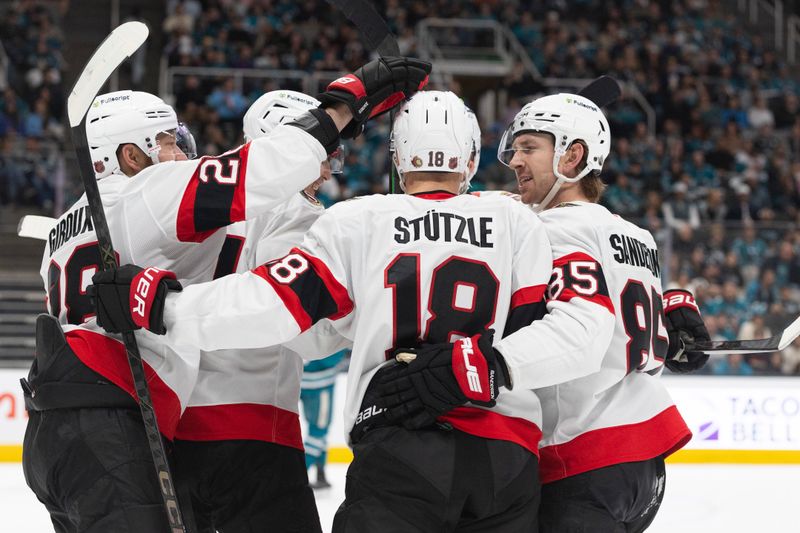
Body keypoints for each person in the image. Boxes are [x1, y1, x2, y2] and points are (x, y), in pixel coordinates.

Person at [91, 90, 564, 532]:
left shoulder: (353, 219)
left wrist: (163, 306)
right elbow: (555, 328)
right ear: (473, 156)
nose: (326, 168)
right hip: (506, 450)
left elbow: (276, 306)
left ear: (397, 157)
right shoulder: (519, 219)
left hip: (394, 442)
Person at [22, 55, 430, 532]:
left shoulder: (66, 227)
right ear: (129, 155)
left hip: (109, 425)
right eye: (168, 141)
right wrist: (345, 102)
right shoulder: (162, 196)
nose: (181, 155)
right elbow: (308, 329)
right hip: (201, 424)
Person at [486, 93, 705, 531]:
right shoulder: (636, 234)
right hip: (643, 463)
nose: (515, 160)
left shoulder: (546, 229)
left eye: (529, 147)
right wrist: (676, 303)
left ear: (573, 155)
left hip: (581, 459)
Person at [172, 90, 345, 532]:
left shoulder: (193, 203)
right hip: (253, 433)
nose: (326, 172)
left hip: (174, 432)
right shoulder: (295, 212)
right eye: (320, 153)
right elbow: (303, 331)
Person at [300, 348, 348, 489]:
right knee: (319, 431)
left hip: (300, 381)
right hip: (320, 386)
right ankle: (298, 475)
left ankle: (321, 474)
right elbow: (333, 354)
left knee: (319, 430)